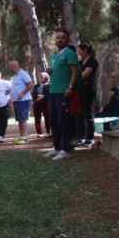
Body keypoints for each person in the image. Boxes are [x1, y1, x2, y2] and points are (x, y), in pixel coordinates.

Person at [44, 28, 79, 161]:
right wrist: (50, 71)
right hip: (53, 91)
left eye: (62, 38)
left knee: (63, 120)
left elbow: (74, 72)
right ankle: (57, 148)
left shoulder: (70, 53)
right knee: (54, 121)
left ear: (67, 39)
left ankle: (65, 149)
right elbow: (56, 72)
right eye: (57, 38)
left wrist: (70, 87)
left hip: (63, 92)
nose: (59, 40)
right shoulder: (55, 55)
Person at [76, 43, 99, 146]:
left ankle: (90, 138)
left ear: (85, 50)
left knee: (88, 114)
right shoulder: (80, 62)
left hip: (88, 90)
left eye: (79, 50)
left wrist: (75, 77)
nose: (78, 52)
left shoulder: (92, 61)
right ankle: (81, 137)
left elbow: (85, 74)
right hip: (79, 90)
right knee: (79, 114)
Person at [9, 60, 33, 138]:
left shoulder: (23, 74)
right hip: (17, 101)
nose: (10, 68)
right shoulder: (15, 76)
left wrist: (22, 93)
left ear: (15, 66)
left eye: (11, 66)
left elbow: (30, 84)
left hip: (24, 100)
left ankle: (24, 136)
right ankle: (21, 136)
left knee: (23, 119)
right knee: (19, 120)